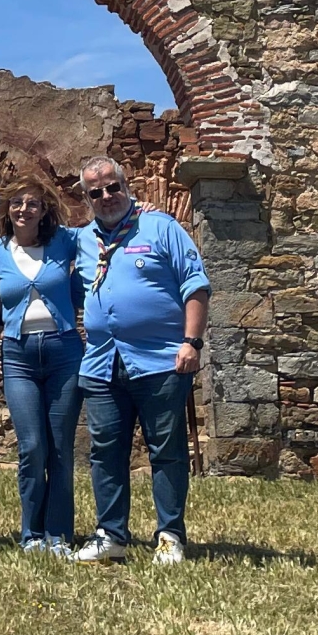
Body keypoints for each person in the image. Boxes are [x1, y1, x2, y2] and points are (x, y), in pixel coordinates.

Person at [71, 156, 210, 565]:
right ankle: (111, 534)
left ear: (127, 186)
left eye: (113, 187)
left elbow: (196, 285)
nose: (107, 196)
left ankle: (170, 535)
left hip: (161, 360)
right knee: (106, 452)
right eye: (96, 192)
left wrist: (192, 342)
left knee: (165, 451)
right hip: (101, 363)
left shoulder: (161, 226)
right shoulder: (79, 240)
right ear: (87, 198)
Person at [0, 182, 85, 555]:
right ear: (7, 209)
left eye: (33, 203)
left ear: (44, 210)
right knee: (32, 446)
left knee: (60, 447)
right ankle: (32, 534)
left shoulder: (65, 241)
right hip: (18, 355)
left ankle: (58, 534)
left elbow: (105, 231)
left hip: (64, 350)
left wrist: (140, 211)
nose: (24, 209)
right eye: (17, 203)